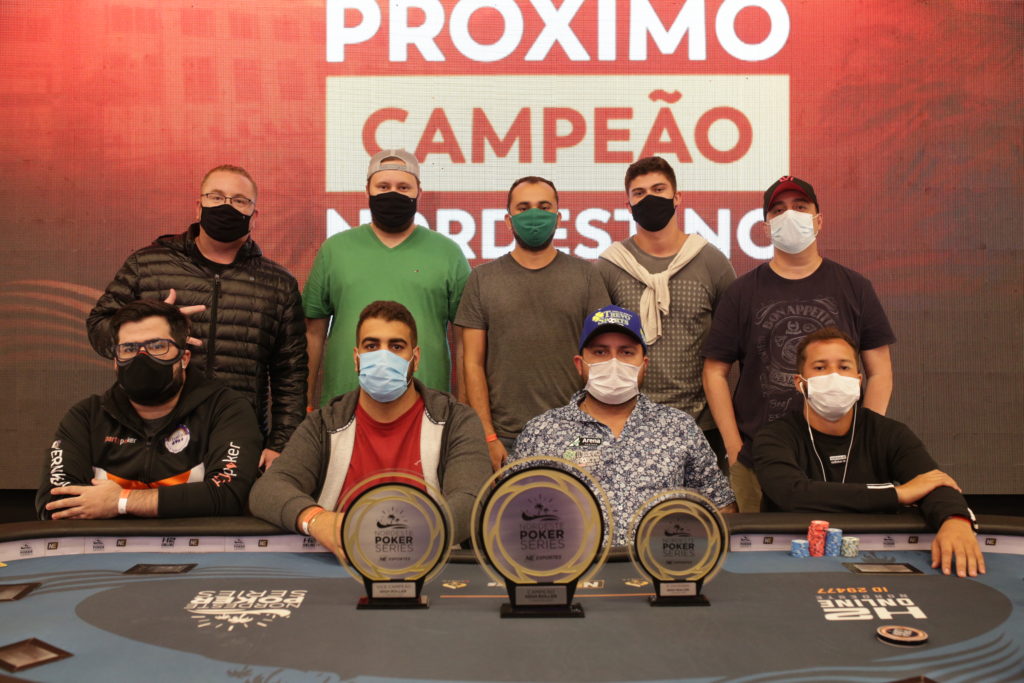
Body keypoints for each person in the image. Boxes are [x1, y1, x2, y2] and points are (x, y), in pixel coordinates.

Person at [86, 165, 307, 470]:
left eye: (239, 200)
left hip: (238, 438)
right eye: (216, 197)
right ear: (199, 206)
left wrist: (282, 444)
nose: (227, 206)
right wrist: (152, 325)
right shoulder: (147, 264)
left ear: (254, 215)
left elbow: (290, 374)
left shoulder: (279, 283)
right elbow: (98, 327)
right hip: (151, 435)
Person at [702, 176, 896, 512]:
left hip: (840, 455)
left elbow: (880, 372)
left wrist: (865, 441)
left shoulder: (855, 287)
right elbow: (714, 372)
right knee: (760, 546)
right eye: (778, 210)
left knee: (841, 542)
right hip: (758, 460)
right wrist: (734, 448)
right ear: (766, 227)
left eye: (800, 207)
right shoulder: (742, 292)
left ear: (819, 220)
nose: (789, 215)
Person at [249, 301, 491, 561]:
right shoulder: (323, 423)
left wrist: (402, 534)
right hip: (339, 569)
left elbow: (471, 500)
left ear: (416, 358)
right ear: (357, 359)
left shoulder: (456, 421)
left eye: (396, 347)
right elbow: (269, 489)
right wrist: (316, 520)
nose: (383, 357)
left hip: (428, 566)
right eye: (372, 346)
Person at [752, 327, 984, 577]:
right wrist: (897, 494)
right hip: (787, 561)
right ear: (800, 383)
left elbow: (935, 483)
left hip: (876, 554)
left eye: (844, 367)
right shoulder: (773, 437)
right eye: (820, 367)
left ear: (858, 380)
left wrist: (956, 521)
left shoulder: (889, 433)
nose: (834, 376)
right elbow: (792, 494)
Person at [511, 305, 736, 546]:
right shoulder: (542, 433)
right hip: (574, 567)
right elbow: (509, 518)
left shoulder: (679, 428)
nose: (614, 363)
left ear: (644, 364)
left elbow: (721, 508)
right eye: (600, 352)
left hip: (657, 566)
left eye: (626, 352)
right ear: (579, 364)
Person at [38, 300, 261, 519]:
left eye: (157, 346)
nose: (142, 357)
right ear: (115, 362)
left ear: (184, 358)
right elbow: (55, 504)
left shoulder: (226, 409)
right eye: (129, 348)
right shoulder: (87, 416)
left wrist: (121, 502)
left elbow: (229, 495)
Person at [456, 176, 610, 470]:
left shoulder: (586, 276)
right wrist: (487, 436)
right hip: (504, 439)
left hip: (574, 434)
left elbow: (601, 358)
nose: (534, 215)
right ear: (508, 220)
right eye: (523, 208)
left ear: (558, 218)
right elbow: (471, 364)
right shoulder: (482, 279)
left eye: (544, 206)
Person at [303, 149, 470, 408]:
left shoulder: (449, 253)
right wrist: (304, 403)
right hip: (344, 406)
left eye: (403, 187)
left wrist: (466, 411)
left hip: (427, 408)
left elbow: (466, 344)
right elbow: (313, 335)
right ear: (367, 191)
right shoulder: (334, 250)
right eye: (383, 186)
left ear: (419, 193)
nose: (393, 194)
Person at [597, 156, 735, 464]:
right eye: (639, 193)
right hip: (628, 424)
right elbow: (599, 350)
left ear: (677, 197)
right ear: (629, 205)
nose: (650, 198)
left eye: (658, 189)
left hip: (702, 425)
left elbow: (731, 348)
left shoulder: (711, 262)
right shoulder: (609, 266)